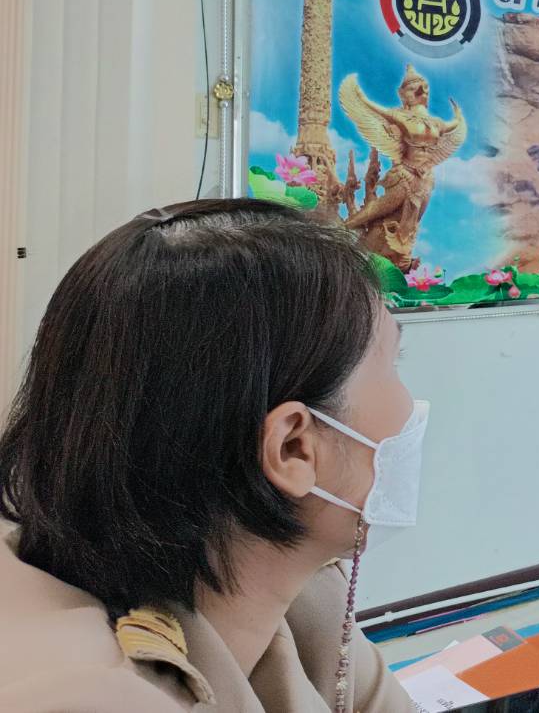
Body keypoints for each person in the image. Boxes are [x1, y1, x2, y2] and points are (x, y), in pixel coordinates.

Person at [0, 200, 422, 712]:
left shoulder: (299, 596)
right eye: (394, 361)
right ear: (293, 447)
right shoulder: (84, 695)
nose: (411, 406)